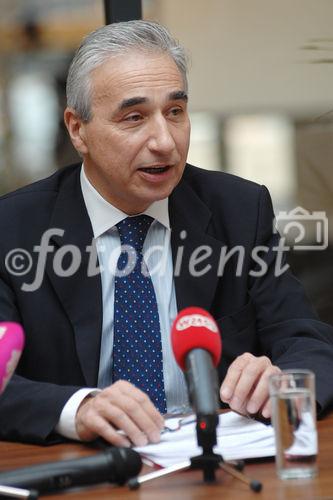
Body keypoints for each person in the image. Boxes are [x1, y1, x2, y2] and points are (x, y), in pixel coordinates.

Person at [0, 20, 332, 446]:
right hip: (85, 470)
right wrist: (77, 408)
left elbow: (308, 339)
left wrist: (283, 381)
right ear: (77, 129)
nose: (164, 141)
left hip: (219, 466)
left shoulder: (239, 211)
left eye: (175, 112)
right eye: (134, 117)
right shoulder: (14, 229)